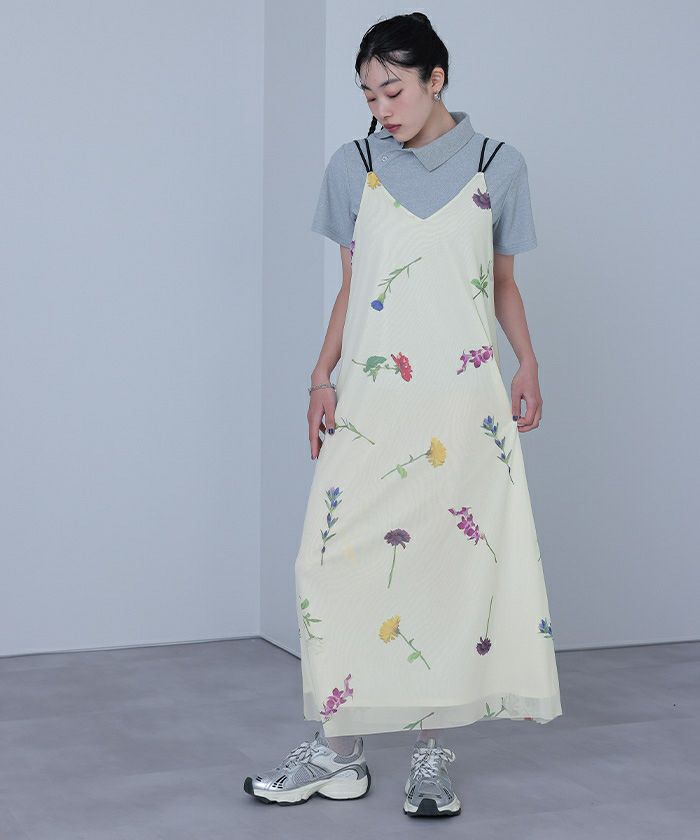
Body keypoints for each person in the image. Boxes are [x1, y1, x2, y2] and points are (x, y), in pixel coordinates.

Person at [244, 11, 562, 817]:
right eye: (368, 94)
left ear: (435, 79)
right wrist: (320, 377)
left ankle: (429, 757)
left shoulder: (499, 164)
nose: (381, 107)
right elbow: (355, 288)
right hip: (374, 404)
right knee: (327, 561)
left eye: (393, 89)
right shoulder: (354, 165)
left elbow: (503, 283)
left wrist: (527, 362)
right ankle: (338, 752)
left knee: (442, 572)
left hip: (462, 407)